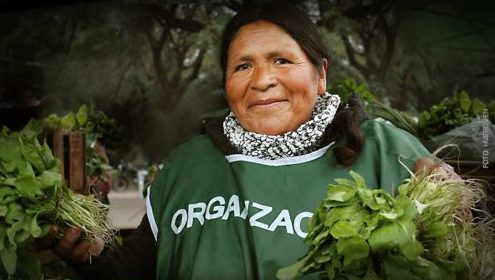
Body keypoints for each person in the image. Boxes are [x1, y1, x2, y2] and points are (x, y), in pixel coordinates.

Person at [44, 1, 454, 279]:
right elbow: (136, 271)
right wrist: (90, 260)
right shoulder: (187, 165)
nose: (262, 81)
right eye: (242, 66)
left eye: (281, 60)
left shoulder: (387, 152)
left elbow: (451, 255)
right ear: (226, 83)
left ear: (321, 73)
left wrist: (452, 213)